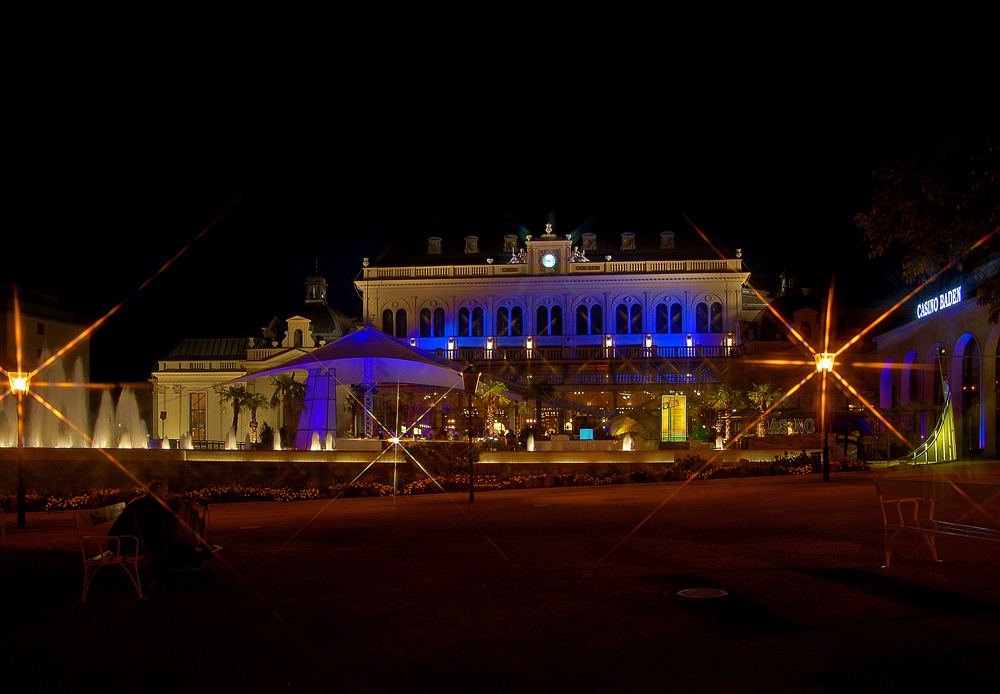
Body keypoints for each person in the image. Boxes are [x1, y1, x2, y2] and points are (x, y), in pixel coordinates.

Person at [109, 481, 173, 583]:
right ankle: (157, 575)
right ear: (158, 492)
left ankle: (159, 573)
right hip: (122, 543)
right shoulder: (146, 505)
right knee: (159, 543)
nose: (166, 494)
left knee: (159, 541)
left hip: (121, 539)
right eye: (165, 492)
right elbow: (150, 528)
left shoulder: (144, 502)